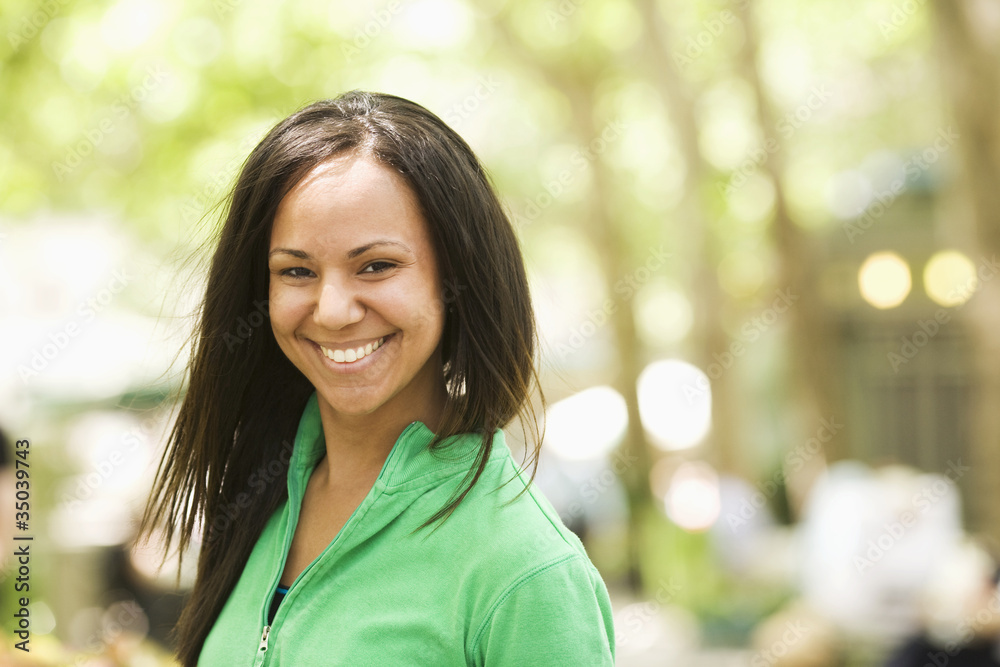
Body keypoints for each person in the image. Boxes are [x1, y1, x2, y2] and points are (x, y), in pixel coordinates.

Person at [139, 90, 616, 666]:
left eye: (376, 266)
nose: (333, 310)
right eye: (296, 271)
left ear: (456, 276)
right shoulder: (258, 496)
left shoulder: (526, 570)